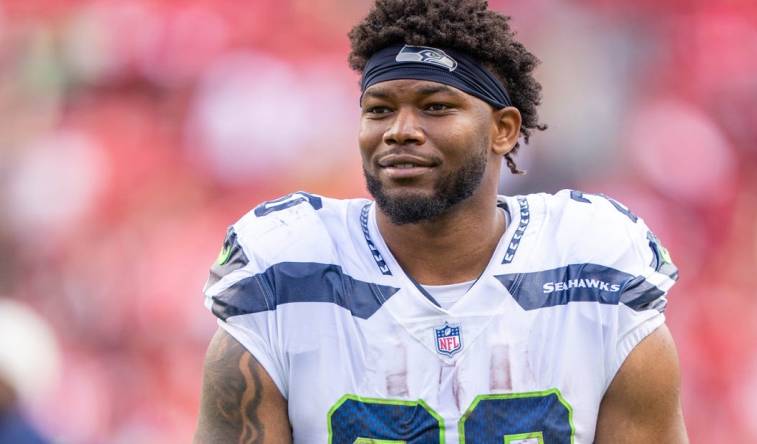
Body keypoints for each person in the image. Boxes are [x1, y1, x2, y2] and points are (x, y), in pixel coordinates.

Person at [194, 0, 689, 442]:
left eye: (436, 107)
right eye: (379, 110)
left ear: (503, 129)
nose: (400, 131)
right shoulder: (286, 270)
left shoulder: (593, 268)